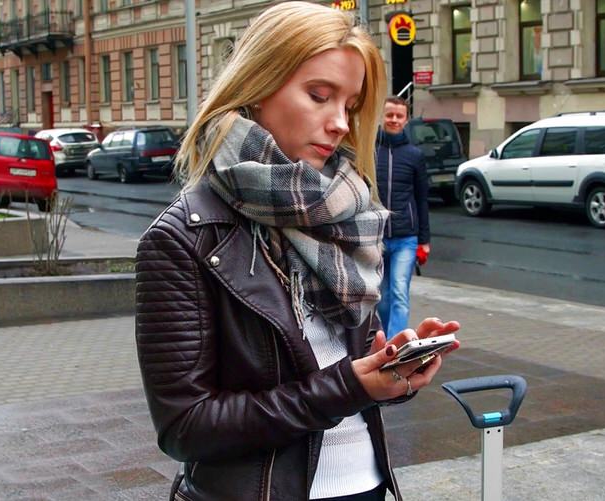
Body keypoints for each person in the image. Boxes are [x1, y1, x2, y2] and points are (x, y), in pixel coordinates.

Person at [135, 3, 459, 500]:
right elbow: (186, 427)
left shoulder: (347, 213)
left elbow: (353, 367)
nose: (341, 123)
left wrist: (393, 369)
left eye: (350, 105)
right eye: (319, 96)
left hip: (368, 486)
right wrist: (350, 387)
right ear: (256, 86)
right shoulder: (184, 237)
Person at [375, 96, 431, 340]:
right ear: (382, 117)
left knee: (399, 292)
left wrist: (424, 240)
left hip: (406, 237)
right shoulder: (370, 151)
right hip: (376, 237)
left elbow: (422, 198)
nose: (394, 120)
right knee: (382, 296)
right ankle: (386, 339)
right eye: (390, 115)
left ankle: (395, 344)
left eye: (399, 116)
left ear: (406, 120)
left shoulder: (414, 155)